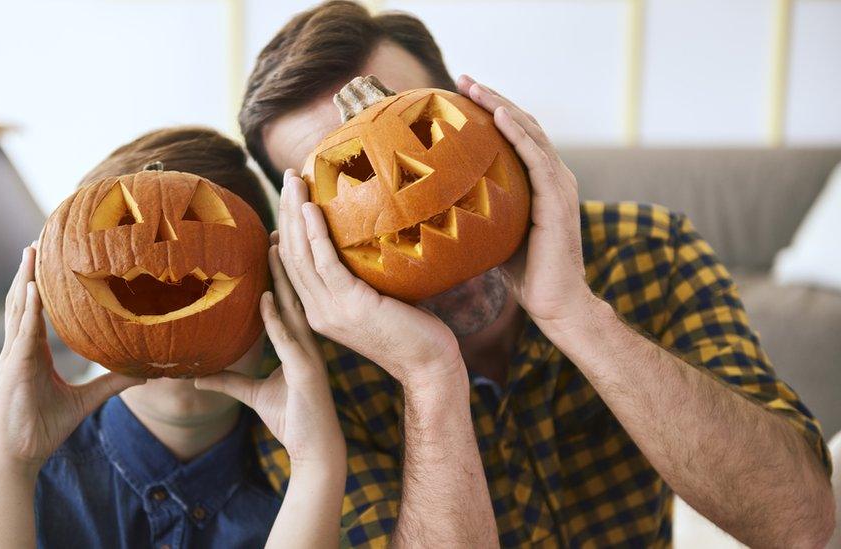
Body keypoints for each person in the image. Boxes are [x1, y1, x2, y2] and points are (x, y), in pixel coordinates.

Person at [238, 2, 835, 547]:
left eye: (418, 127)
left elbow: (801, 525)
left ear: (478, 117)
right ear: (302, 230)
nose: (412, 198)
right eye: (352, 176)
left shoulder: (651, 251)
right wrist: (428, 377)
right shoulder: (306, 376)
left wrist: (575, 315)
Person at [0, 127, 347, 548]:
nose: (171, 328)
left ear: (276, 287)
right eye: (124, 223)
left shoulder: (334, 482)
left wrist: (316, 467)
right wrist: (12, 464)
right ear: (57, 288)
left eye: (201, 226)